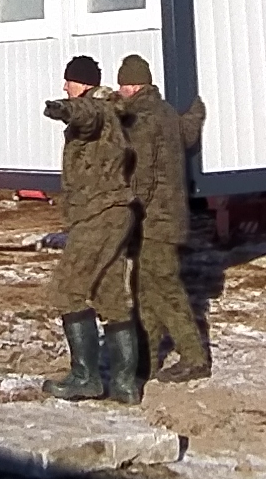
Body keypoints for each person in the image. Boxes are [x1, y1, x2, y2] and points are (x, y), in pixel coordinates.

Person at [38, 54, 141, 404]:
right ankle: (125, 385)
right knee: (110, 296)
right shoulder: (112, 110)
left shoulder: (97, 109)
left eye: (68, 81)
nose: (64, 86)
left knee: (67, 290)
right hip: (113, 213)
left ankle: (85, 377)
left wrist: (63, 109)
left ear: (81, 84)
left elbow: (85, 114)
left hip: (99, 213)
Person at [115, 53, 210, 383]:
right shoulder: (167, 111)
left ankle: (194, 357)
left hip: (155, 221)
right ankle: (147, 360)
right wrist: (196, 111)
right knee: (146, 290)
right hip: (167, 219)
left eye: (122, 85)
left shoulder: (142, 119)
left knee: (165, 289)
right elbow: (187, 135)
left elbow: (142, 176)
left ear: (132, 86)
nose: (120, 91)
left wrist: (128, 212)